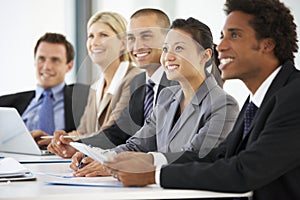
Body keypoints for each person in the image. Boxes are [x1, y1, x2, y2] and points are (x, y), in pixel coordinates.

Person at [105, 0, 300, 199]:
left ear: (267, 45)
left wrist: (153, 175)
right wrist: (141, 161)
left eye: (235, 35)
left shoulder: (294, 97)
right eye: (223, 36)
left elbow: (243, 171)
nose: (221, 46)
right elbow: (217, 156)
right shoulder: (258, 101)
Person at [71, 17, 239, 177]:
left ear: (205, 55)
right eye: (165, 49)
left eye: (179, 48)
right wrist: (101, 157)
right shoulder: (167, 96)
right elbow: (138, 144)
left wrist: (124, 163)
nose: (168, 57)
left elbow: (195, 156)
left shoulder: (223, 105)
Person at [48, 9, 178, 161]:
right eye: (131, 38)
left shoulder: (178, 81)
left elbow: (156, 142)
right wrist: (77, 145)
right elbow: (117, 132)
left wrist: (111, 160)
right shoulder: (140, 82)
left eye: (146, 36)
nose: (137, 45)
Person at [47, 11, 142, 151]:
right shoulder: (97, 85)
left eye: (103, 35)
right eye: (90, 36)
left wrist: (76, 143)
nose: (94, 42)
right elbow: (84, 132)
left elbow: (111, 133)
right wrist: (58, 140)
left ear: (123, 44)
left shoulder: (135, 79)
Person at [0, 33, 89, 148]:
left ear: (69, 66)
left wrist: (56, 140)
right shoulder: (6, 104)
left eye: (55, 60)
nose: (47, 66)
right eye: (41, 59)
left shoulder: (86, 98)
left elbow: (102, 134)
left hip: (62, 163)